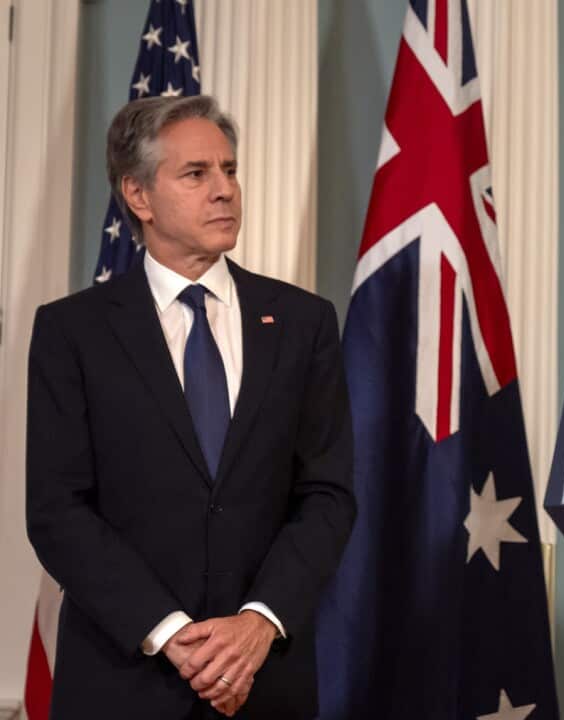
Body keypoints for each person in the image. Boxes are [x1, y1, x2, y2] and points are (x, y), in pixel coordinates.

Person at [26, 96, 355, 719]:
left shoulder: (303, 322)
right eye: (197, 174)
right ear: (139, 196)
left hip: (263, 683)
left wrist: (258, 624)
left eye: (229, 170)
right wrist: (172, 634)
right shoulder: (74, 331)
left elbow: (328, 495)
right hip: (123, 682)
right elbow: (57, 510)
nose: (225, 190)